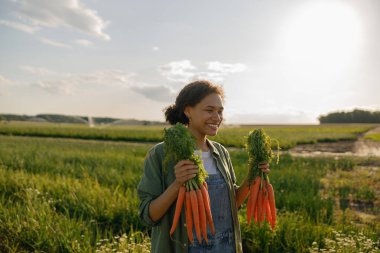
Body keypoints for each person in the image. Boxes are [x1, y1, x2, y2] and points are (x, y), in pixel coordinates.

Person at [137, 80, 269, 253]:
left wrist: (253, 177)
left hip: (226, 246)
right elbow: (148, 216)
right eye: (209, 110)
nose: (217, 117)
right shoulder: (161, 154)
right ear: (187, 110)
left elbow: (232, 204)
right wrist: (178, 184)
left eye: (220, 111)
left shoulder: (221, 152)